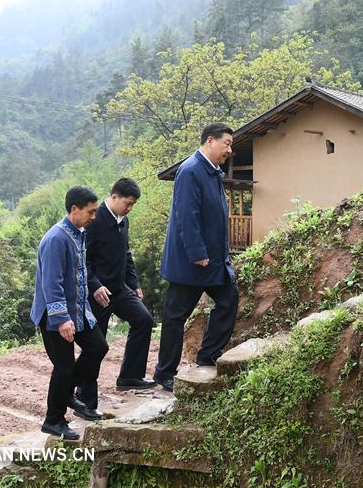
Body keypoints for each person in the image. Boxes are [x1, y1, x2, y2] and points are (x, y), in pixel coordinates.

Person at [153, 122, 239, 392]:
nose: (229, 149)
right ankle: (164, 373)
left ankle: (207, 355)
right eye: (226, 143)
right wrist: (197, 252)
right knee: (175, 316)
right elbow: (186, 216)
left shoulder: (213, 172)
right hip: (192, 262)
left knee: (228, 298)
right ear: (210, 141)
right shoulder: (190, 170)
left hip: (213, 260)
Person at [30, 186, 109, 440]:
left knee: (98, 347)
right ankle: (53, 420)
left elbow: (79, 273)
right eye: (91, 211)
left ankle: (66, 395)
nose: (94, 216)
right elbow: (51, 283)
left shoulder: (79, 233)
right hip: (55, 314)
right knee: (63, 368)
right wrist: (61, 318)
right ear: (74, 210)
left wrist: (89, 296)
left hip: (78, 309)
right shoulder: (56, 238)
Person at [74, 178, 156, 412]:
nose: (129, 208)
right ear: (113, 197)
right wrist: (95, 285)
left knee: (144, 320)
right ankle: (84, 395)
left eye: (133, 205)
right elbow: (82, 259)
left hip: (120, 289)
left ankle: (130, 376)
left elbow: (126, 254)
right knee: (96, 346)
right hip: (98, 294)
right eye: (127, 203)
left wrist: (134, 282)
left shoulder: (124, 221)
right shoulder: (93, 220)